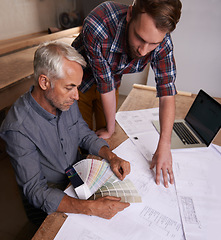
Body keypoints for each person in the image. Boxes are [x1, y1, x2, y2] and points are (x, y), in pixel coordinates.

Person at [0, 42, 130, 226]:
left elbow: (83, 133)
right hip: (49, 197)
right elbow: (36, 191)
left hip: (76, 177)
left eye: (77, 87)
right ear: (44, 82)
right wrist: (91, 207)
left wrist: (111, 156)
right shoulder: (17, 128)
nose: (76, 96)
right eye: (69, 87)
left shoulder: (63, 100)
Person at [72, 0, 182, 188]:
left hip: (110, 82)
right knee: (76, 140)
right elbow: (104, 83)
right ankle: (76, 186)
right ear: (130, 15)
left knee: (108, 140)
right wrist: (109, 127)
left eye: (153, 43)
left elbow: (167, 93)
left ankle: (100, 185)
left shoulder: (163, 42)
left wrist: (164, 145)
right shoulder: (99, 23)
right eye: (139, 37)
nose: (143, 50)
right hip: (77, 84)